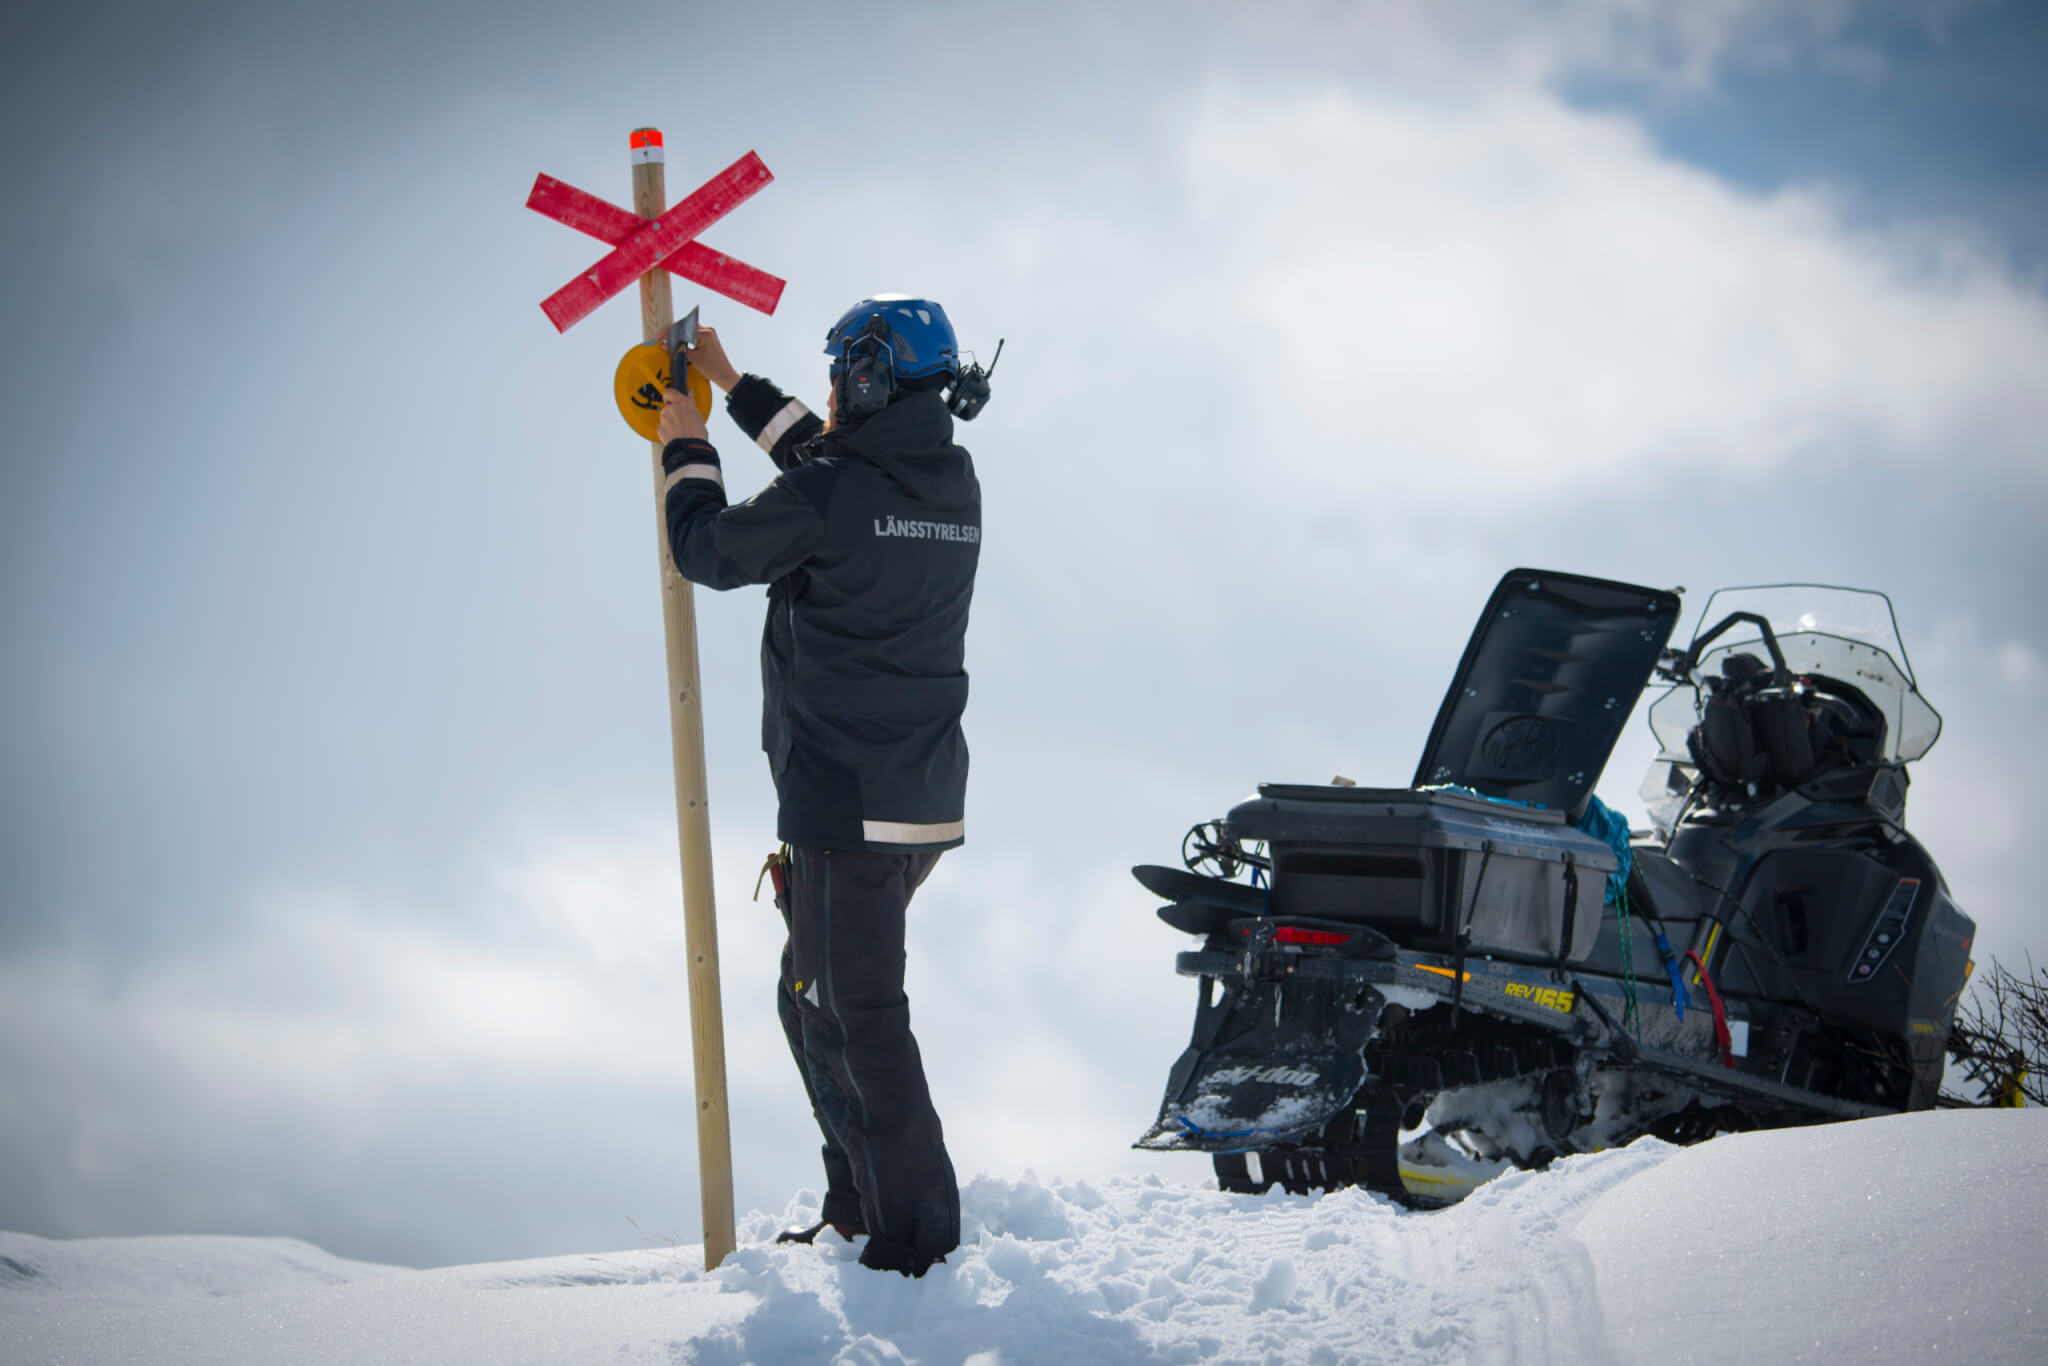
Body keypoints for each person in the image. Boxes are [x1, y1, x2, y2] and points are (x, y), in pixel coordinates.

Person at [654, 297, 986, 1277]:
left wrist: (687, 448)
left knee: (850, 1010)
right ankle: (859, 1206)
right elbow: (828, 464)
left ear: (872, 378)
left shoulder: (839, 490)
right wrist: (730, 380)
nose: (833, 390)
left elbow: (708, 548)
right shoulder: (948, 477)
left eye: (841, 371)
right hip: (917, 798)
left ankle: (913, 1243)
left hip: (845, 801)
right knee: (813, 997)